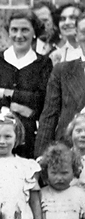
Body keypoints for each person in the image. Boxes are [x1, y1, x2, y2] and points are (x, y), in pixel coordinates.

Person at [0, 10, 53, 158]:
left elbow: (41, 99)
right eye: (14, 30)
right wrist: (16, 107)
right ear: (8, 32)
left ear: (34, 32)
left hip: (26, 141)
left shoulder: (43, 63)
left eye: (25, 30)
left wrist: (6, 93)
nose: (19, 35)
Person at [35, 13, 85, 156]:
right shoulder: (63, 70)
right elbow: (49, 117)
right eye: (84, 31)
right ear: (76, 35)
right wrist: (41, 158)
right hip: (67, 153)